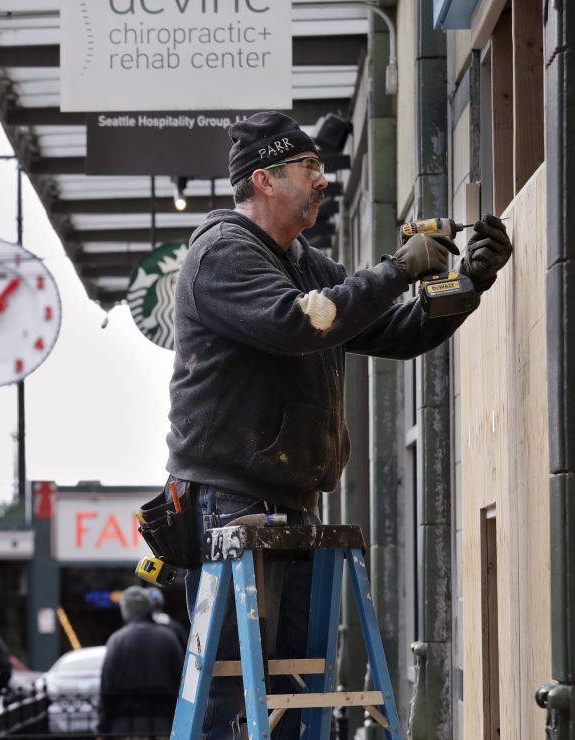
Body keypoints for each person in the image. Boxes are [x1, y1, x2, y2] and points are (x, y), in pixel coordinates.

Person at [165, 111, 512, 739]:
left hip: (290, 503)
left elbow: (398, 334)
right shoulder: (221, 255)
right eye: (310, 168)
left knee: (295, 691)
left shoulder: (307, 264)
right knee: (230, 696)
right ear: (265, 181)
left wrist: (471, 279)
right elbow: (299, 324)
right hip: (228, 504)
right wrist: (399, 269)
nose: (323, 181)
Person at [99, 586, 185, 735]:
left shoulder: (116, 640)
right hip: (163, 724)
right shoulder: (168, 637)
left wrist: (103, 727)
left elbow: (107, 689)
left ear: (126, 611)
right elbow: (182, 682)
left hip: (124, 726)